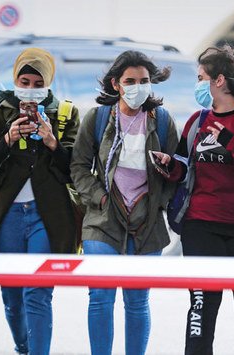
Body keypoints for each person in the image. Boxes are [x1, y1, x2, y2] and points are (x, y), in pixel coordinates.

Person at [151, 45, 234, 355]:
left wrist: (230, 143)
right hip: (202, 224)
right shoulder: (198, 119)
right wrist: (169, 164)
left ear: (219, 80)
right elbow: (184, 168)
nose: (197, 84)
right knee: (201, 305)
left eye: (200, 77)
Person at [0, 47, 79, 355]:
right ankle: (23, 348)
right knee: (12, 296)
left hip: (47, 217)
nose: (30, 89)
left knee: (38, 292)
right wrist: (7, 138)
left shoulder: (66, 113)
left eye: (37, 83)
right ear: (15, 79)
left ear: (49, 83)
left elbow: (74, 172)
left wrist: (52, 142)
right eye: (24, 81)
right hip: (7, 217)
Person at [70, 50, 179, 355]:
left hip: (146, 221)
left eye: (144, 80)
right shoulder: (99, 117)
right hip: (103, 219)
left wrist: (159, 200)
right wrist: (99, 197)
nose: (137, 87)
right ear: (116, 83)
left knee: (137, 301)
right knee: (101, 297)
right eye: (130, 81)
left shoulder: (163, 120)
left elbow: (179, 170)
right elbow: (79, 166)